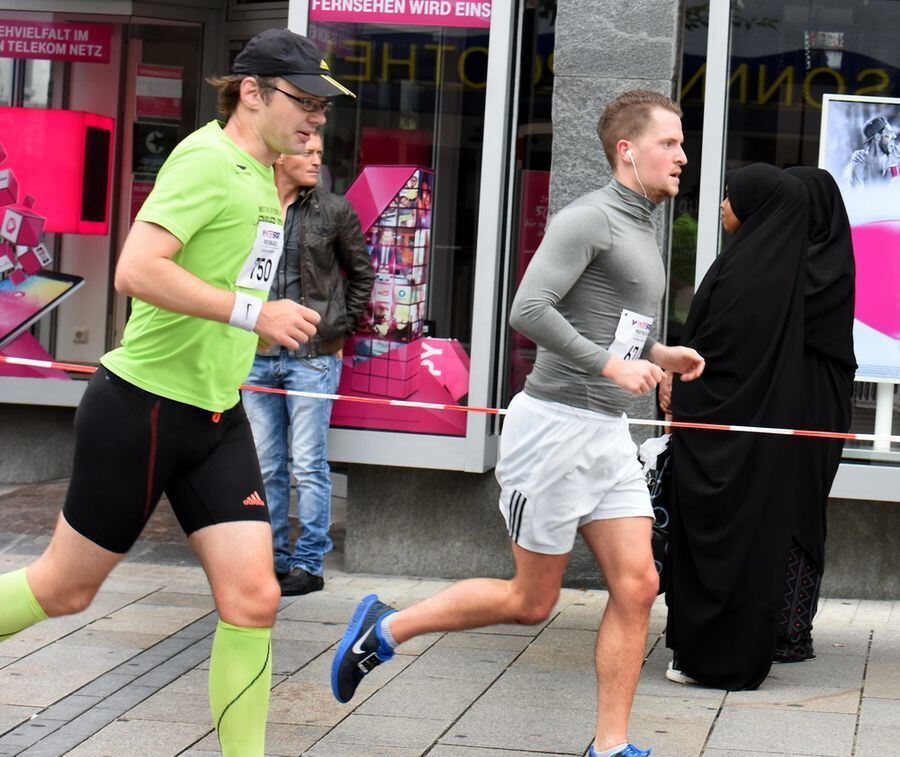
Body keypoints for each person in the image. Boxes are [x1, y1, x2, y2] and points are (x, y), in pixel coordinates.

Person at [0, 29, 354, 757]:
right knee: (65, 590)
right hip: (144, 408)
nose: (317, 117)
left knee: (255, 596)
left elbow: (222, 280)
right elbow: (135, 269)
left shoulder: (264, 177)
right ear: (251, 92)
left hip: (217, 417)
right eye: (304, 100)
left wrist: (249, 322)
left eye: (324, 105)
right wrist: (254, 313)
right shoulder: (206, 160)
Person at [330, 89, 705, 757]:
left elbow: (605, 326)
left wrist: (655, 354)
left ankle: (610, 745)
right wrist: (610, 367)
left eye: (681, 143)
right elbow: (528, 309)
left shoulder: (642, 222)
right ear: (627, 150)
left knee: (640, 582)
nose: (682, 155)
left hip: (606, 433)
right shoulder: (587, 219)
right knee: (532, 600)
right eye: (669, 143)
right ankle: (383, 630)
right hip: (555, 429)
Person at [665, 164, 809, 691]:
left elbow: (719, 355)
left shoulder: (748, 272)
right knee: (751, 542)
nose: (722, 204)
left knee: (718, 542)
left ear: (756, 207)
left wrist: (678, 383)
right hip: (755, 441)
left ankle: (710, 657)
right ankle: (733, 655)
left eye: (731, 196)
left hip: (720, 435)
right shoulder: (775, 267)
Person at [242, 133, 374, 597]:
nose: (318, 160)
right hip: (255, 354)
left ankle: (308, 562)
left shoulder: (333, 210)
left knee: (309, 464)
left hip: (312, 357)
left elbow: (362, 275)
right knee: (265, 464)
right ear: (280, 155)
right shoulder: (248, 202)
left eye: (321, 151)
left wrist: (338, 329)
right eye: (309, 152)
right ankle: (271, 559)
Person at [775, 166, 856, 662]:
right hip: (808, 403)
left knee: (801, 513)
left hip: (812, 407)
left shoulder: (813, 267)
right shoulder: (823, 259)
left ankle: (791, 627)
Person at [845, 115, 900, 186]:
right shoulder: (859, 166)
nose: (894, 136)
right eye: (889, 133)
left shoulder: (893, 156)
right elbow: (856, 195)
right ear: (877, 137)